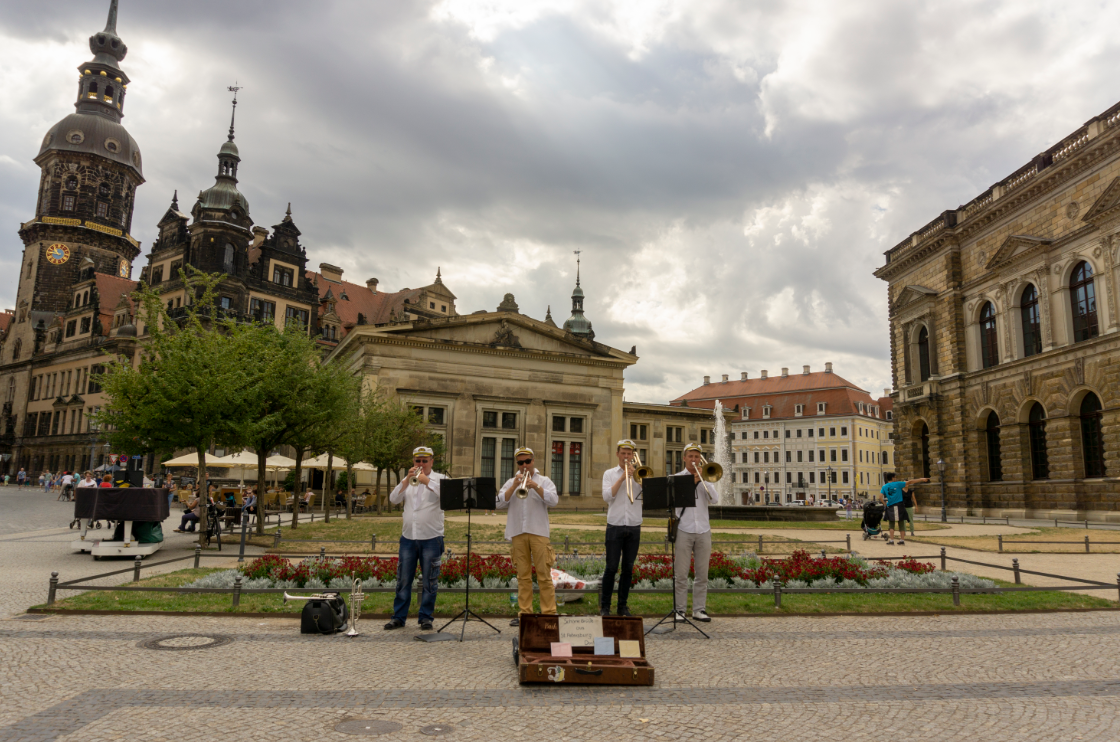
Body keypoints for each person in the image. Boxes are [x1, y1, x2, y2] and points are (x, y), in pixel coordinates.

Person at [383, 446, 446, 632]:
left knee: (429, 581)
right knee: (403, 580)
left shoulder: (440, 479)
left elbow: (449, 497)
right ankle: (398, 618)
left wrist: (426, 481)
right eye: (417, 461)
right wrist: (405, 481)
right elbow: (393, 499)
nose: (420, 464)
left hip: (431, 537)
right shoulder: (408, 479)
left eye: (424, 461)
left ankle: (426, 617)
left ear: (431, 462)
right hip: (408, 537)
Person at [497, 447, 559, 627]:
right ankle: (525, 613)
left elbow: (554, 501)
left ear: (533, 461)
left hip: (538, 532)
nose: (524, 465)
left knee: (544, 575)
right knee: (523, 576)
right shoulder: (511, 481)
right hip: (518, 532)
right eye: (520, 462)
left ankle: (549, 613)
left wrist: (535, 486)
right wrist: (515, 486)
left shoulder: (544, 481)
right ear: (517, 464)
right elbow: (498, 502)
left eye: (527, 461)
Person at [673, 443, 719, 623]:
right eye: (690, 456)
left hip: (703, 530)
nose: (694, 460)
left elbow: (714, 499)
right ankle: (680, 610)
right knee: (681, 574)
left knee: (702, 574)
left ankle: (699, 609)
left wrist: (703, 481)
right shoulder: (676, 478)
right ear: (684, 458)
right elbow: (674, 501)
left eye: (697, 457)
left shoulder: (706, 478)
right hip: (684, 529)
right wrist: (689, 484)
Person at [600, 439, 643, 617]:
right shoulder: (609, 474)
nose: (626, 457)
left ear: (633, 455)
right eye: (623, 453)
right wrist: (622, 478)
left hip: (634, 525)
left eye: (629, 453)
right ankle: (605, 607)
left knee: (628, 568)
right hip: (615, 526)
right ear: (617, 454)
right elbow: (607, 496)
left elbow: (650, 496)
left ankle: (622, 606)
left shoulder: (640, 474)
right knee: (611, 567)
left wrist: (638, 478)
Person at [879, 473, 929, 545]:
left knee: (891, 524)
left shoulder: (884, 486)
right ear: (893, 478)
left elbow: (880, 497)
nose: (896, 478)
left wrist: (885, 504)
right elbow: (910, 482)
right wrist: (921, 479)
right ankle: (902, 540)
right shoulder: (898, 484)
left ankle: (892, 540)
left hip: (890, 506)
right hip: (899, 506)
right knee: (901, 523)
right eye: (895, 477)